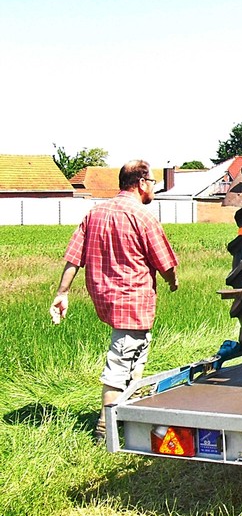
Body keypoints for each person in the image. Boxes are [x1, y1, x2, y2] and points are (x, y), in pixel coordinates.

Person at [49, 160, 179, 441]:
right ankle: (105, 427)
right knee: (120, 362)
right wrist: (172, 281)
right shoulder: (142, 217)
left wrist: (62, 292)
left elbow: (74, 257)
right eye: (152, 182)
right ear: (141, 183)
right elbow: (165, 263)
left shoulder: (95, 213)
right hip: (132, 301)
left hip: (106, 298)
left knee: (136, 355)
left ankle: (128, 412)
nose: (153, 188)